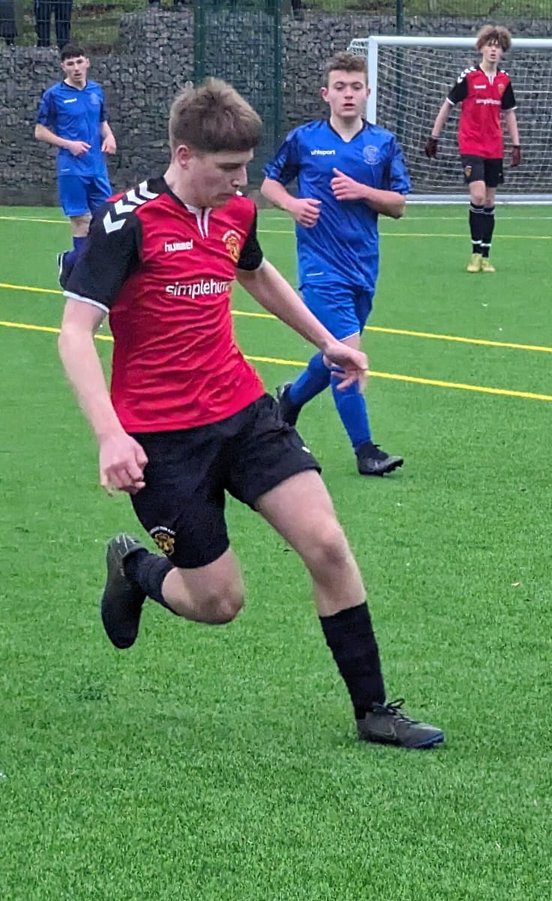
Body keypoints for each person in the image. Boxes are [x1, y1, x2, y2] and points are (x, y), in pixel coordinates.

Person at [58, 78, 443, 749]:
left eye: (246, 167)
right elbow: (73, 332)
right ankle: (134, 570)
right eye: (227, 169)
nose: (242, 184)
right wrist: (109, 435)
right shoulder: (127, 222)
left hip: (242, 412)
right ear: (183, 154)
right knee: (219, 602)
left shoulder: (236, 212)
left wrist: (327, 341)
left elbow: (257, 274)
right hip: (161, 440)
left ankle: (374, 708)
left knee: (326, 541)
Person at [261, 52, 409, 477]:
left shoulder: (381, 144)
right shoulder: (304, 139)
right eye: (340, 87)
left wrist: (362, 191)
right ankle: (366, 451)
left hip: (363, 266)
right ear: (326, 94)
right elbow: (270, 182)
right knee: (347, 357)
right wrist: (292, 204)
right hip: (320, 267)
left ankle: (290, 400)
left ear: (367, 92)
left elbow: (398, 204)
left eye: (355, 87)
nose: (348, 94)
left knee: (334, 353)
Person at [423, 24, 521, 273]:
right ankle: (475, 253)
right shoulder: (468, 77)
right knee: (477, 196)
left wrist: (516, 145)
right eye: (489, 45)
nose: (493, 50)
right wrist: (434, 137)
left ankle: (486, 255)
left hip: (494, 148)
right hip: (471, 145)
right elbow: (447, 105)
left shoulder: (504, 81)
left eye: (498, 47)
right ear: (481, 47)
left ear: (503, 52)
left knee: (489, 201)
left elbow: (509, 114)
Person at [35, 44, 116, 284]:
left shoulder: (96, 91)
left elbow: (102, 122)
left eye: (79, 62)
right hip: (71, 169)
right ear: (63, 67)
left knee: (104, 223)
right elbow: (39, 131)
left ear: (87, 63)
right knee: (81, 223)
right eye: (70, 64)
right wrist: (68, 144)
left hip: (97, 168)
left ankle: (69, 261)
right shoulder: (54, 95)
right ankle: (83, 286)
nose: (76, 68)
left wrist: (109, 136)